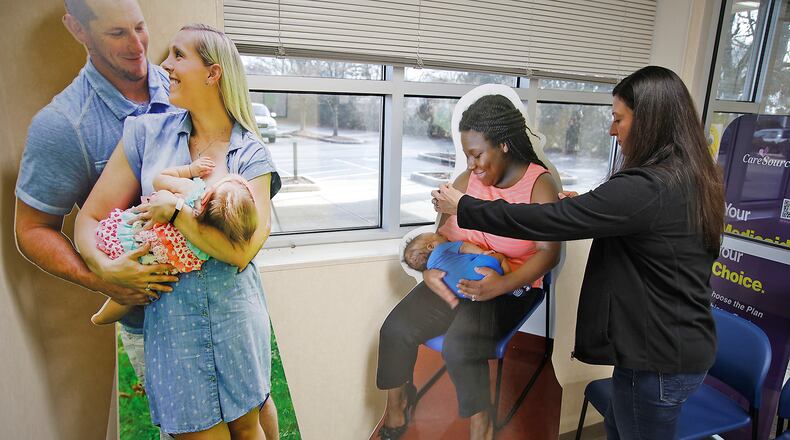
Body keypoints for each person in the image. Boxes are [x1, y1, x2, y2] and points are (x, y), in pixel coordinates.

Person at [14, 2, 280, 438]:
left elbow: (243, 251)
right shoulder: (144, 133)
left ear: (212, 74)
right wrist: (103, 269)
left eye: (178, 56)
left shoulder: (250, 154)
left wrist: (175, 213)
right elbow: (91, 218)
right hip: (173, 328)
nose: (162, 63)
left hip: (236, 319)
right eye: (168, 53)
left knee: (249, 427)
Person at [433, 66, 725, 440]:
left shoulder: (650, 185)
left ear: (650, 119)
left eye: (618, 119)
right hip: (664, 348)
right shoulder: (688, 173)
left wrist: (466, 207)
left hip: (659, 358)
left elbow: (551, 222)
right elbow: (635, 221)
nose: (611, 130)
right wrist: (584, 206)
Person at [377, 94, 561, 440]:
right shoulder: (468, 179)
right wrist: (425, 271)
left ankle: (481, 423)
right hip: (453, 273)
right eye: (467, 156)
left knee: (459, 347)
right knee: (395, 329)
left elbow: (549, 254)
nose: (471, 164)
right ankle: (398, 406)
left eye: (477, 154)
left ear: (504, 145)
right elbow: (439, 236)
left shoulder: (539, 184)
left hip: (508, 283)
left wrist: (499, 286)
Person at [92, 161, 256, 326]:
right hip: (150, 265)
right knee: (135, 292)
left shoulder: (193, 192)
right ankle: (102, 316)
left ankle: (100, 314)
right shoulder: (206, 248)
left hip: (132, 236)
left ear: (208, 195)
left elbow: (160, 179)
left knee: (121, 275)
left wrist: (189, 170)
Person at [403, 232, 511, 298]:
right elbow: (463, 247)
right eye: (438, 235)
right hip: (481, 270)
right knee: (499, 257)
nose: (443, 236)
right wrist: (481, 252)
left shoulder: (434, 276)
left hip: (468, 293)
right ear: (431, 246)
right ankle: (510, 283)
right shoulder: (440, 249)